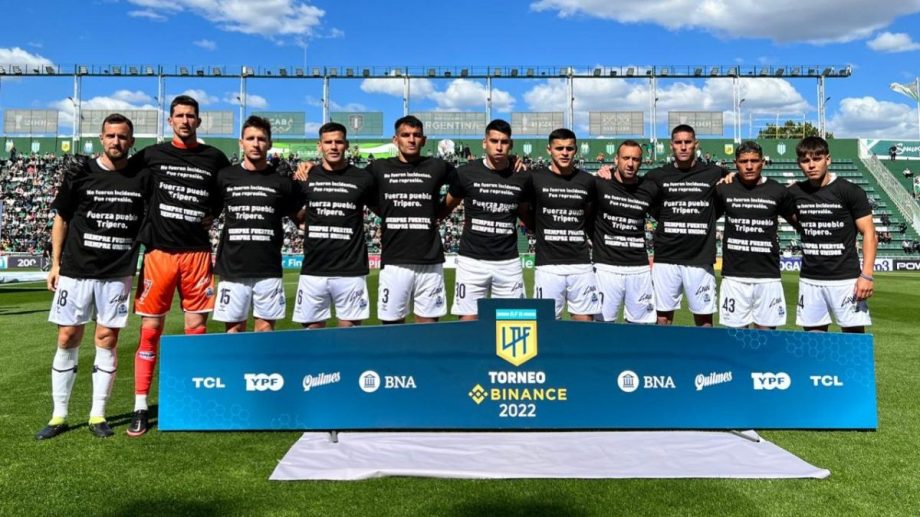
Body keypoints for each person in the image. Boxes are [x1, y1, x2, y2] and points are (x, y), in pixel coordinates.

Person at [36, 114, 149, 439]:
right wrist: (55, 264)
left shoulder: (142, 177)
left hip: (117, 272)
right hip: (76, 270)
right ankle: (59, 415)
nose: (116, 141)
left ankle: (98, 414)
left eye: (123, 136)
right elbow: (62, 219)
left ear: (131, 141)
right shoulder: (80, 172)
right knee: (67, 337)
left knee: (107, 339)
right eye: (111, 135)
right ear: (101, 138)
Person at [128, 95, 230, 436]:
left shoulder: (214, 157)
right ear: (170, 121)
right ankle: (140, 405)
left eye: (191, 116)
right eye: (180, 116)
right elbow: (120, 173)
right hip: (159, 252)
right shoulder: (151, 154)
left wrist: (214, 213)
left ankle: (192, 400)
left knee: (196, 331)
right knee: (150, 331)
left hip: (197, 253)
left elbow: (225, 192)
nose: (185, 121)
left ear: (198, 121)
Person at [212, 116, 304, 333]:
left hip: (268, 268)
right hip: (233, 268)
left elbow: (300, 219)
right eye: (250, 138)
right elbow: (210, 210)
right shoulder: (225, 176)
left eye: (261, 139)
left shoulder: (282, 182)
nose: (256, 144)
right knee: (233, 331)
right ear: (241, 142)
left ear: (269, 144)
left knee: (265, 331)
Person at [367, 116, 457, 324]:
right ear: (395, 139)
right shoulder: (378, 168)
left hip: (429, 260)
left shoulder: (437, 166)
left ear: (424, 140)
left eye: (416, 135)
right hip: (394, 261)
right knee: (391, 325)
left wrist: (440, 213)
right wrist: (309, 166)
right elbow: (352, 183)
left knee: (428, 327)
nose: (411, 139)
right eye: (405, 135)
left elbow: (464, 183)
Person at [439, 119, 532, 320]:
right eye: (494, 141)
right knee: (468, 321)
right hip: (472, 261)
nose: (499, 147)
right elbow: (446, 206)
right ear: (484, 143)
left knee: (513, 322)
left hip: (508, 262)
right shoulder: (465, 173)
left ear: (511, 144)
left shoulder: (522, 176)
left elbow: (525, 214)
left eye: (504, 142)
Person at [788, 136, 876, 333]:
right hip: (810, 279)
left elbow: (869, 233)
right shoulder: (794, 192)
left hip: (846, 280)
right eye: (805, 160)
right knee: (814, 342)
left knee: (853, 340)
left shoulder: (850, 191)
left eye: (817, 159)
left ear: (828, 159)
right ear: (799, 163)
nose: (811, 165)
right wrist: (731, 178)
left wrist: (867, 275)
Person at [292, 122, 376, 328]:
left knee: (349, 334)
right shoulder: (305, 176)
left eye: (338, 142)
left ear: (346, 145)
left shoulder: (363, 178)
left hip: (351, 270)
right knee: (311, 332)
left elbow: (383, 209)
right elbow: (292, 211)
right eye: (328, 142)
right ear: (319, 145)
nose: (333, 146)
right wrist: (301, 221)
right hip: (314, 269)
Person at [645, 124, 728, 326]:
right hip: (666, 258)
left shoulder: (715, 172)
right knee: (662, 319)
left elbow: (731, 190)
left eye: (688, 142)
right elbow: (649, 205)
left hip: (700, 258)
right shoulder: (656, 175)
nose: (683, 147)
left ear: (696, 144)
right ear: (671, 145)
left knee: (704, 321)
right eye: (678, 142)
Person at [715, 141, 797, 329]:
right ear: (736, 163)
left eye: (754, 161)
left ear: (763, 162)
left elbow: (799, 223)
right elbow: (707, 218)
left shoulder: (777, 190)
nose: (749, 166)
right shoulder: (724, 188)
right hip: (734, 277)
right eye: (744, 161)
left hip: (768, 276)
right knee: (737, 338)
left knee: (766, 337)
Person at [530, 128, 599, 320]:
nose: (564, 153)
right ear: (549, 150)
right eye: (559, 148)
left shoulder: (587, 181)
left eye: (569, 148)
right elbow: (525, 211)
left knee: (585, 323)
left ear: (576, 150)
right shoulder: (534, 178)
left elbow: (588, 214)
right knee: (545, 324)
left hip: (581, 264)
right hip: (548, 266)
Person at [592, 140, 658, 324]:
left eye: (635, 159)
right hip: (606, 268)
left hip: (639, 268)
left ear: (641, 162)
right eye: (626, 158)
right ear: (616, 159)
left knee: (643, 327)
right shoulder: (600, 184)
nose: (630, 163)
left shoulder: (649, 189)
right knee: (601, 327)